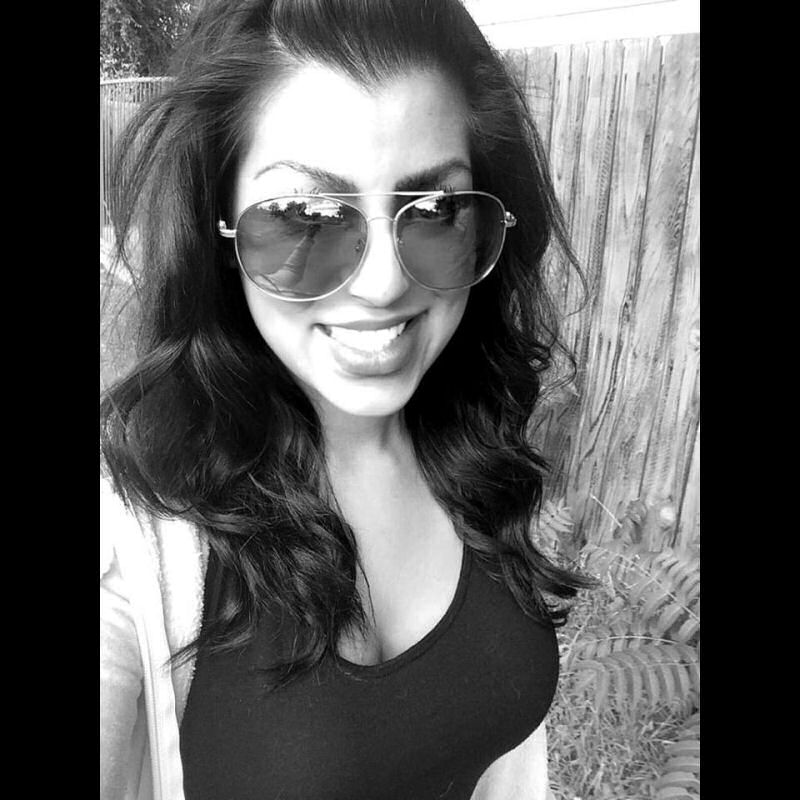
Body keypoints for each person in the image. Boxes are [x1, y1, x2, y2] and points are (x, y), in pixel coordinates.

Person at [99, 1, 593, 798]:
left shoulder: (472, 435)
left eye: (435, 210)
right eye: (306, 215)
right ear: (217, 228)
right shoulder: (133, 537)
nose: (384, 283)